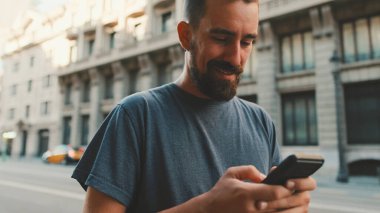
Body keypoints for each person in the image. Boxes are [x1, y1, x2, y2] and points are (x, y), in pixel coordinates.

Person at [72, 0, 317, 212]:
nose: (235, 58)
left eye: (247, 42)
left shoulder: (261, 121)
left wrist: (286, 205)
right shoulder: (135, 114)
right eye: (222, 38)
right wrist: (208, 208)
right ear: (186, 35)